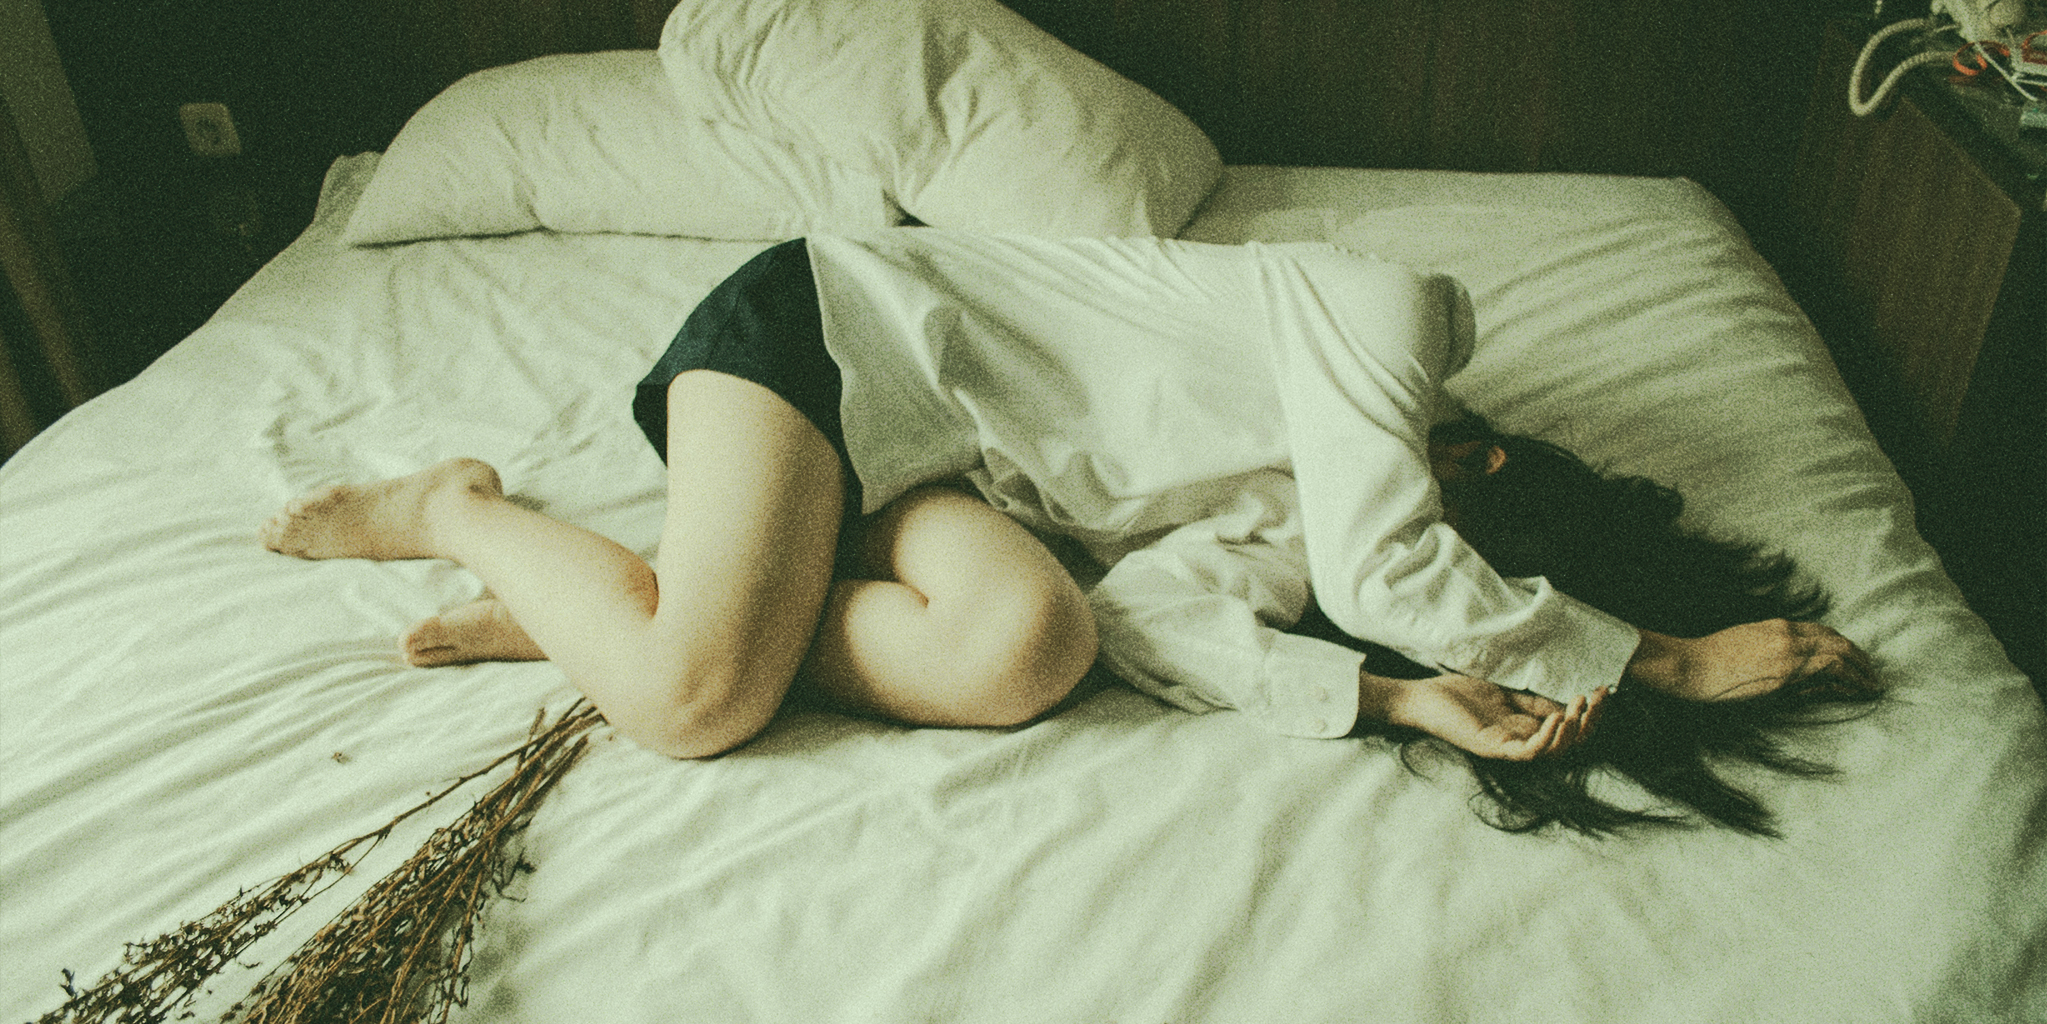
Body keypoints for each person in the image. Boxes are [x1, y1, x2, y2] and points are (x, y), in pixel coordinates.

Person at [262, 233, 1873, 772]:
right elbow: (1393, 562)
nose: (1404, 538)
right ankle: (457, 509)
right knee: (695, 705)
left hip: (934, 480)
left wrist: (1394, 698)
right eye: (1453, 532)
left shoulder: (1312, 525)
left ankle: (615, 604)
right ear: (1476, 457)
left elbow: (1155, 617)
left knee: (1034, 644)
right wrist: (1660, 659)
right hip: (834, 341)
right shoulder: (1383, 316)